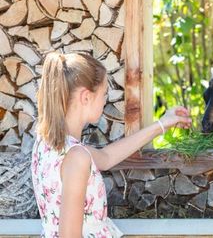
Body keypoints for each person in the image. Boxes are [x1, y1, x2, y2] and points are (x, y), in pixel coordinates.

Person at [31, 51, 192, 237]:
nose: (105, 100)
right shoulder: (76, 157)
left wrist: (162, 124)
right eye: (104, 93)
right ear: (86, 97)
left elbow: (106, 157)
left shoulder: (48, 144)